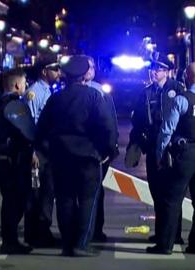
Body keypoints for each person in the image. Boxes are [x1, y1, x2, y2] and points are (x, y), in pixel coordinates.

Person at [36, 55, 118, 257]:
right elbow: (108, 127)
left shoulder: (56, 98)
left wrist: (49, 151)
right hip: (88, 157)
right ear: (84, 75)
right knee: (88, 201)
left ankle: (67, 243)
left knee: (65, 200)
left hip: (61, 157)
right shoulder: (94, 96)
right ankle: (81, 243)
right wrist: (107, 152)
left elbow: (42, 129)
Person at [147, 62, 195, 255]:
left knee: (172, 200)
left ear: (187, 77)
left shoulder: (182, 100)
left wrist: (160, 155)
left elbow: (167, 130)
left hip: (184, 155)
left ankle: (165, 244)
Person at [126, 56, 185, 245]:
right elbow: (138, 120)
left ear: (166, 72)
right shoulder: (146, 92)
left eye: (158, 70)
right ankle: (161, 233)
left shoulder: (177, 88)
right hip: (152, 146)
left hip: (172, 148)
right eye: (152, 69)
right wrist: (134, 144)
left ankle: (174, 234)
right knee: (157, 192)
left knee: (172, 193)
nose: (154, 72)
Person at [0, 69, 36, 255]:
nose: (25, 86)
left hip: (2, 158)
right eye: (24, 82)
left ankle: (10, 239)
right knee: (16, 200)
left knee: (11, 199)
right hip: (13, 160)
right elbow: (29, 132)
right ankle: (10, 240)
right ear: (17, 84)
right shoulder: (15, 104)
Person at [23, 56, 61, 247]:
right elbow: (28, 125)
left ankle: (42, 230)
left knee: (47, 192)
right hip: (39, 150)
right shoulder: (34, 93)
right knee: (37, 193)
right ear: (45, 71)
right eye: (55, 70)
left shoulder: (48, 91)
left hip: (48, 149)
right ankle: (34, 233)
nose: (59, 73)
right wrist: (33, 152)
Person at [85, 56, 119, 242]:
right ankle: (84, 231)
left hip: (97, 151)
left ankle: (96, 230)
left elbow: (110, 122)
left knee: (97, 192)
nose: (88, 71)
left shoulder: (100, 92)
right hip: (82, 150)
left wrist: (110, 149)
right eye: (86, 67)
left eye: (91, 67)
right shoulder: (72, 91)